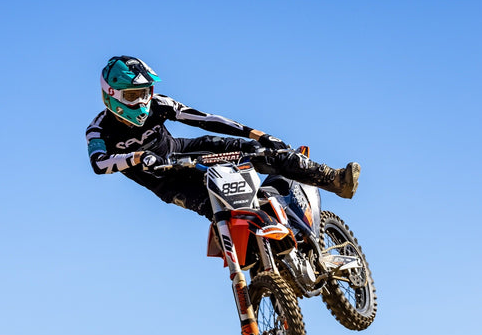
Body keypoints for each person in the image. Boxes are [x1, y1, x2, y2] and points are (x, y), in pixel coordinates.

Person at [86, 56, 360, 218]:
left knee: (259, 152)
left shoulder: (160, 104)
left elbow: (205, 119)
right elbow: (99, 163)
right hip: (168, 183)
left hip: (185, 153)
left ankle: (335, 180)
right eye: (133, 95)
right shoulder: (98, 129)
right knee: (221, 214)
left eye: (146, 92)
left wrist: (259, 135)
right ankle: (259, 280)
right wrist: (137, 157)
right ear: (112, 96)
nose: (142, 101)